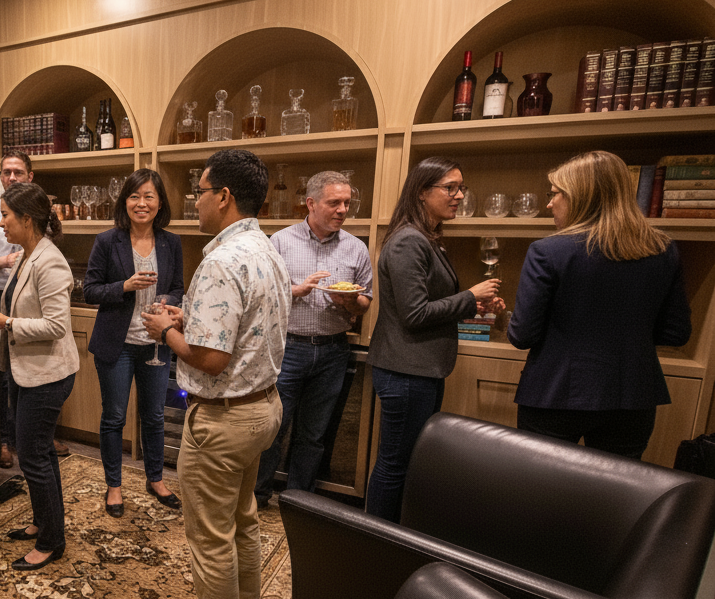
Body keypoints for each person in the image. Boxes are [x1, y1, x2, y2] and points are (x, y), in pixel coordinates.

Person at [141, 148, 290, 599]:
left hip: (225, 419)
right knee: (242, 518)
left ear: (223, 196)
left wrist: (167, 331)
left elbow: (210, 357)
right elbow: (241, 327)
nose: (194, 202)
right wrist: (191, 321)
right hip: (263, 407)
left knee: (210, 537)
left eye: (199, 192)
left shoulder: (222, 260)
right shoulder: (267, 248)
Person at [508, 150, 690, 458]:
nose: (550, 203)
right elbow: (676, 334)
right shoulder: (664, 250)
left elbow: (522, 334)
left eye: (555, 194)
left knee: (540, 495)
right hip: (632, 396)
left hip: (555, 393)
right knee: (616, 500)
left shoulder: (548, 252)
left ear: (581, 196)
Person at [366, 157, 503, 523]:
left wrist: (474, 304)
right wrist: (470, 296)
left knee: (406, 462)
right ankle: (375, 539)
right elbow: (414, 314)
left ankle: (392, 534)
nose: (459, 196)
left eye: (462, 188)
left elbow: (431, 304)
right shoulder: (408, 242)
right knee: (394, 466)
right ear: (423, 192)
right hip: (405, 370)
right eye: (450, 188)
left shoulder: (427, 237)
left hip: (419, 370)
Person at [0, 182, 79, 571]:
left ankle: (52, 541)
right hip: (23, 368)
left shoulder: (50, 262)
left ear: (27, 219)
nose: (0, 223)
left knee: (33, 457)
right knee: (38, 454)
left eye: (5, 215)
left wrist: (8, 322)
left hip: (47, 375)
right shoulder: (22, 256)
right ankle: (43, 522)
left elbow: (56, 325)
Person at [254, 171, 372, 508]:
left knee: (314, 434)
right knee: (273, 426)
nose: (342, 210)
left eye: (347, 203)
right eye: (334, 202)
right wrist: (297, 290)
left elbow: (366, 301)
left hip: (334, 351)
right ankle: (258, 495)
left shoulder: (356, 248)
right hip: (288, 347)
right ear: (311, 203)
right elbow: (264, 296)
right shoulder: (280, 242)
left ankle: (298, 501)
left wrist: (350, 300)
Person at [83, 169, 184, 517]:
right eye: (134, 196)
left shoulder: (171, 242)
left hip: (157, 343)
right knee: (113, 417)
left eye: (149, 196)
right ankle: (114, 485)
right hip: (117, 345)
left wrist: (169, 299)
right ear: (125, 202)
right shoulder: (107, 241)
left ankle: (155, 478)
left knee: (154, 416)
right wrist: (124, 286)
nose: (141, 203)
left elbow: (179, 288)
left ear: (159, 203)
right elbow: (89, 290)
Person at [0, 150, 71, 465]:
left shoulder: (38, 224)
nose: (11, 177)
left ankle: (34, 434)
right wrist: (2, 261)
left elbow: (53, 319)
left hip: (31, 298)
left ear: (29, 177)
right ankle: (7, 441)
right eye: (6, 172)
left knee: (32, 368)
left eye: (17, 172)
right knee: (3, 376)